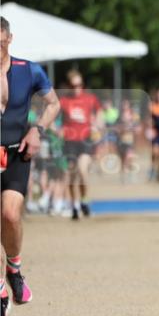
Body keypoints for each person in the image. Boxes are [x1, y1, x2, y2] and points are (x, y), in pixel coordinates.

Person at [0, 16, 61, 316]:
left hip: (15, 154)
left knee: (10, 215)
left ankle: (14, 268)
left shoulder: (29, 69)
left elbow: (53, 104)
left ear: (9, 39)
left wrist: (37, 130)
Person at [58, 70, 101, 220]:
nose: (77, 88)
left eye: (80, 85)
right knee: (71, 174)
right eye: (74, 85)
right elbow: (52, 116)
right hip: (69, 142)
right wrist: (58, 130)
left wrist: (97, 126)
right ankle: (74, 205)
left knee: (82, 171)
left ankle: (84, 200)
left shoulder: (90, 99)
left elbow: (100, 114)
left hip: (85, 141)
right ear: (69, 86)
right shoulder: (64, 101)